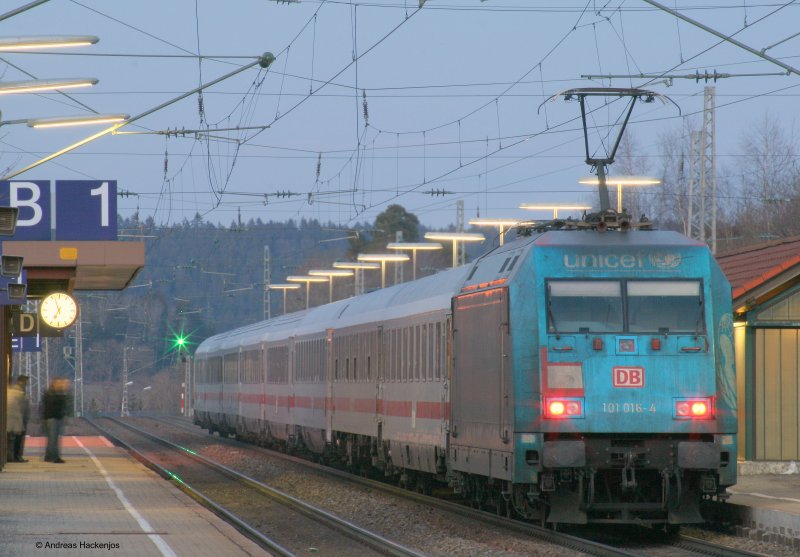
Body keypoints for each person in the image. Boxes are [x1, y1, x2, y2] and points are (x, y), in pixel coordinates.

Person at [41, 377, 70, 463]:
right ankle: (54, 457)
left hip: (53, 418)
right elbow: (56, 405)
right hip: (52, 418)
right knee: (53, 439)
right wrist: (63, 394)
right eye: (58, 383)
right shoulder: (52, 394)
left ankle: (48, 456)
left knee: (52, 439)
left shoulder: (52, 393)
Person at [6, 375, 30, 463]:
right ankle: (16, 456)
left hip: (13, 419)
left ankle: (10, 456)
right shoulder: (20, 392)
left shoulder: (11, 391)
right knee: (17, 439)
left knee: (10, 439)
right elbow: (23, 408)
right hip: (17, 419)